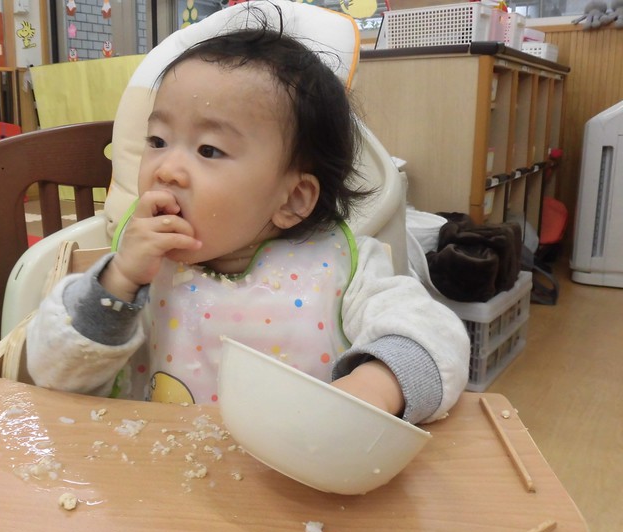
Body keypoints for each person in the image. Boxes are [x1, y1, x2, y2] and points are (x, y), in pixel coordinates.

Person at [26, 19, 469, 425]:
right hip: (152, 480)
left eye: (209, 150)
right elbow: (53, 373)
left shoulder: (343, 269)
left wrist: (374, 386)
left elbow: (437, 337)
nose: (166, 170)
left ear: (293, 199)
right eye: (158, 141)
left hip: (294, 483)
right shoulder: (140, 269)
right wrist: (118, 282)